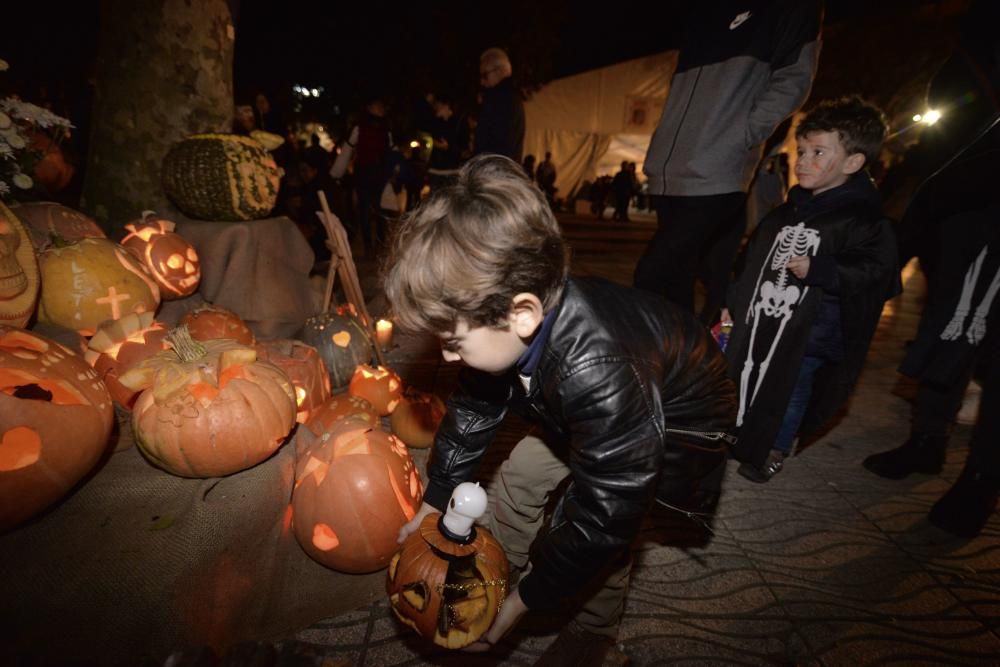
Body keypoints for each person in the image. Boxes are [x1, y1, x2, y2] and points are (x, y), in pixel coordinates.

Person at [385, 155, 736, 665]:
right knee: (519, 476)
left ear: (522, 313)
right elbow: (473, 409)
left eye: (455, 342)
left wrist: (525, 603)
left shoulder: (599, 372)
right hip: (585, 398)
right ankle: (492, 568)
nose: (444, 355)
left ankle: (594, 631)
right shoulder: (512, 324)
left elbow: (606, 513)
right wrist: (435, 499)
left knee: (606, 539)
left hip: (676, 419)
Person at [722, 96, 899, 483]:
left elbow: (878, 274)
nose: (803, 161)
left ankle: (774, 446)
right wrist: (732, 302)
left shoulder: (864, 220)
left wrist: (823, 268)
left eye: (819, 152)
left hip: (813, 334)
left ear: (853, 163)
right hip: (766, 321)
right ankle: (738, 432)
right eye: (801, 151)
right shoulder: (788, 210)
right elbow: (752, 262)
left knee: (791, 392)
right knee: (750, 377)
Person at [635, 1, 823, 325]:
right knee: (676, 285)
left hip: (717, 170)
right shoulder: (704, 12)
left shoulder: (788, 8)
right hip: (668, 171)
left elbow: (794, 79)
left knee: (649, 275)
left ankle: (625, 365)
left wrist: (744, 135)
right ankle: (689, 367)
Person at [474, 47, 525, 161]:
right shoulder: (512, 97)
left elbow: (492, 143)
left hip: (492, 172)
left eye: (485, 75)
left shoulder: (500, 98)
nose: (482, 81)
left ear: (499, 71)